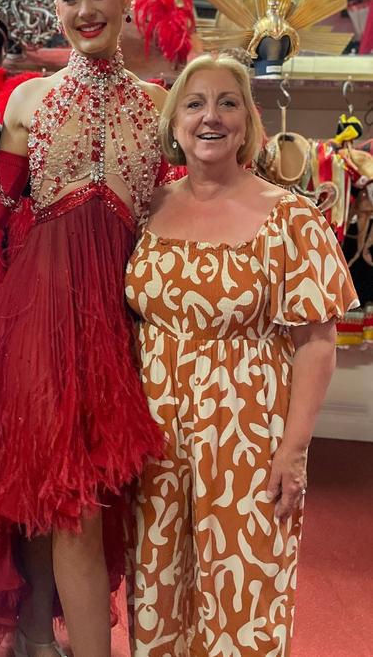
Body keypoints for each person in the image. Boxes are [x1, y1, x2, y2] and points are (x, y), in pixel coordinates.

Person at [0, 0, 169, 657]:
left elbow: (172, 216)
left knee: (69, 493)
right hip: (39, 317)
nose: (84, 10)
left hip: (122, 323)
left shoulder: (161, 108)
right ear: (54, 8)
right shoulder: (29, 99)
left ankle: (38, 640)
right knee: (66, 497)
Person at [125, 54, 358, 657]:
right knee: (157, 582)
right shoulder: (145, 209)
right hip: (153, 433)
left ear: (249, 121)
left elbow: (318, 344)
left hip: (249, 433)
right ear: (174, 121)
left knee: (245, 589)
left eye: (227, 102)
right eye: (196, 103)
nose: (211, 117)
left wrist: (296, 452)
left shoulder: (292, 218)